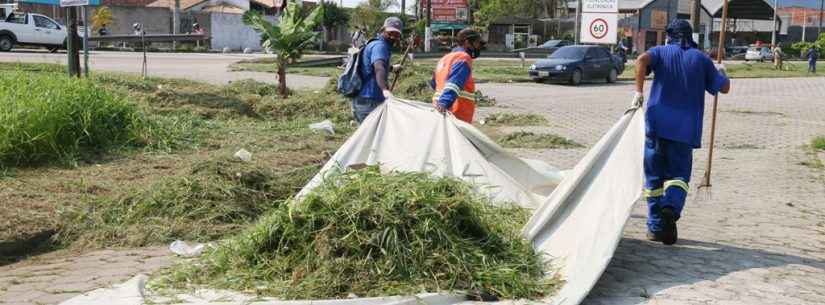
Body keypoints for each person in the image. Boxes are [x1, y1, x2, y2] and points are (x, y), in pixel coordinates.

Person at [631, 19, 731, 245]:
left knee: (654, 179)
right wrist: (722, 73)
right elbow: (723, 88)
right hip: (685, 130)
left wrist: (638, 92)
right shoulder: (702, 59)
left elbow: (641, 60)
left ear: (670, 35)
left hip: (656, 125)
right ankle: (671, 207)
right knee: (678, 177)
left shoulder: (660, 52)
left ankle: (656, 227)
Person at [352, 17, 403, 123]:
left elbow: (371, 66)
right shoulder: (380, 46)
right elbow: (378, 67)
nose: (393, 36)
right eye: (390, 33)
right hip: (370, 100)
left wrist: (392, 68)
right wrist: (384, 90)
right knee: (372, 137)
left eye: (396, 34)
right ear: (383, 30)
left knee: (370, 137)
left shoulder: (374, 43)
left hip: (364, 98)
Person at [431, 28, 486, 124]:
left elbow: (434, 84)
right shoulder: (463, 58)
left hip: (439, 111)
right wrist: (444, 103)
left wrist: (440, 106)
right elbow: (454, 83)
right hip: (456, 113)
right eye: (477, 43)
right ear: (467, 42)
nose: (479, 47)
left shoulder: (445, 58)